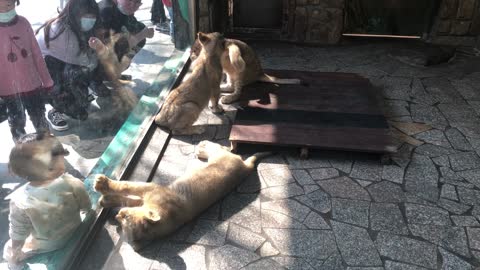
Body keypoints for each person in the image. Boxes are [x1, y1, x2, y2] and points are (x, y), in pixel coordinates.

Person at [3, 133, 92, 269]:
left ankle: (15, 266)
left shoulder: (19, 201)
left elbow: (18, 233)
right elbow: (86, 206)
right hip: (74, 229)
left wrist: (15, 253)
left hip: (49, 245)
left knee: (8, 248)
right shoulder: (71, 182)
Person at [36, 0, 101, 131]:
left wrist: (100, 48)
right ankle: (55, 108)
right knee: (79, 110)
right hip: (44, 75)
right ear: (74, 14)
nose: (90, 20)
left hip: (64, 66)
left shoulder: (77, 26)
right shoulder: (62, 32)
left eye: (93, 16)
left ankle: (72, 97)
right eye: (86, 16)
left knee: (81, 99)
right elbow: (87, 63)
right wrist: (98, 50)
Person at [0, 0, 53, 142]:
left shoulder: (23, 23)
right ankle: (23, 153)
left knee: (39, 117)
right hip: (8, 90)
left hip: (32, 84)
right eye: (1, 6)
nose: (5, 10)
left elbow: (36, 53)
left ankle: (48, 145)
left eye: (9, 5)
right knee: (17, 123)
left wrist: (47, 80)